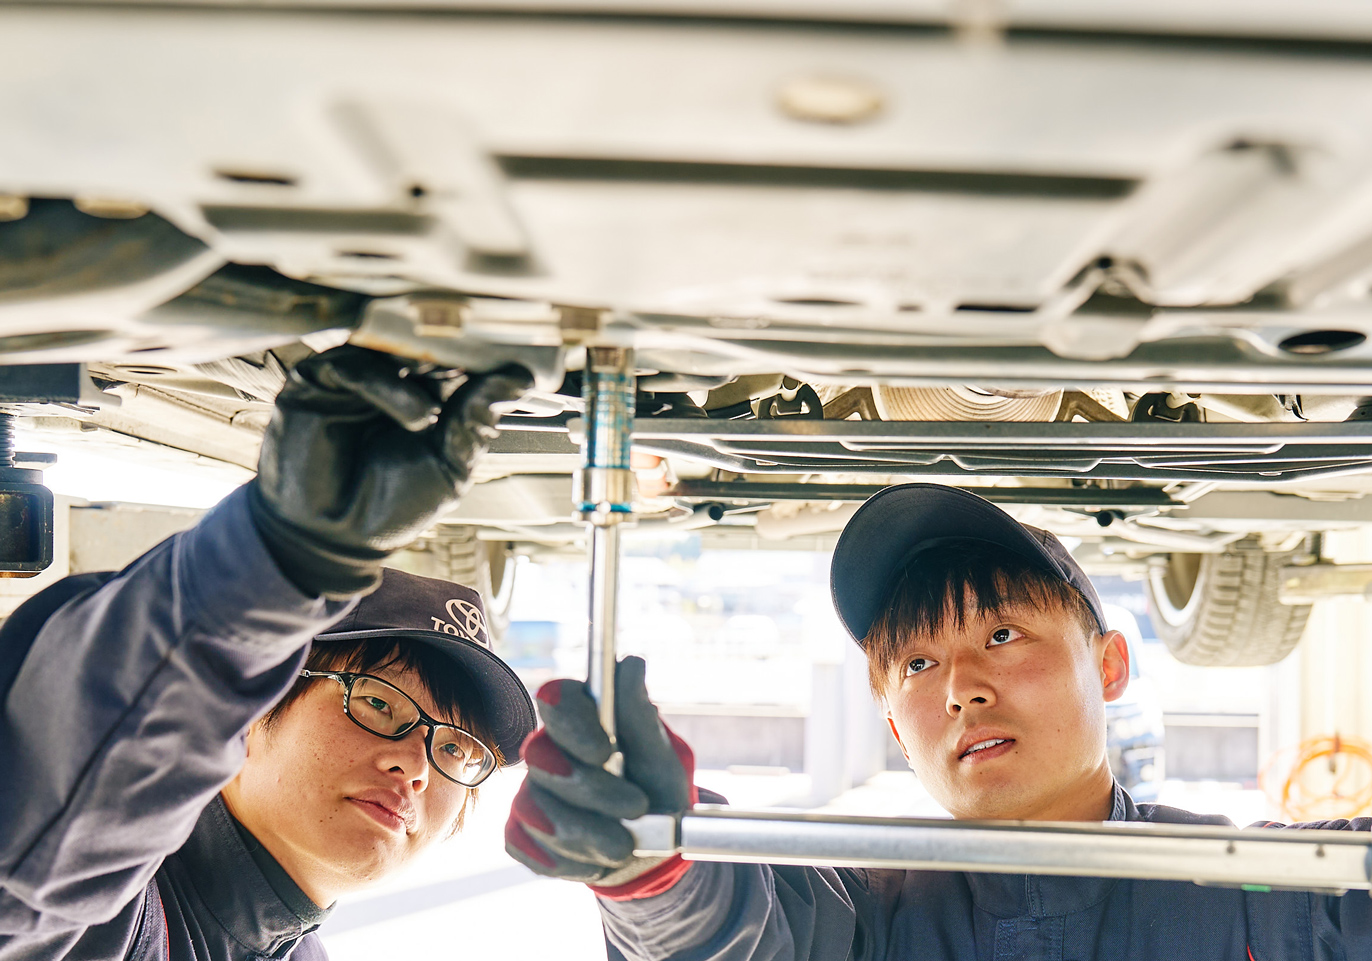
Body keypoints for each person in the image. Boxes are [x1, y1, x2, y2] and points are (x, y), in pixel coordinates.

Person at [506, 483, 1372, 959]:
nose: (961, 688)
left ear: (1111, 665)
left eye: (1002, 633)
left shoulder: (1256, 897)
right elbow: (741, 930)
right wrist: (654, 870)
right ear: (892, 720)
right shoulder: (870, 915)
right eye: (918, 663)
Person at [0, 345, 536, 960]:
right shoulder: (96, 917)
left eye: (452, 751)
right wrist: (280, 562)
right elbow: (60, 801)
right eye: (378, 705)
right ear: (252, 710)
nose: (414, 766)